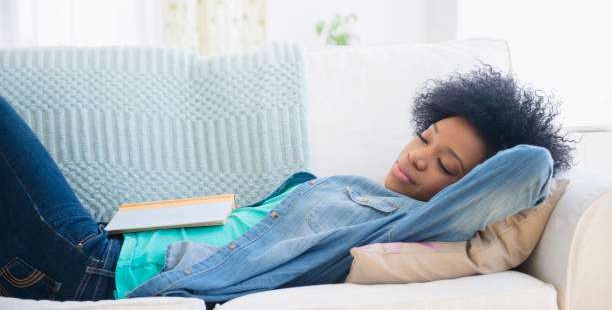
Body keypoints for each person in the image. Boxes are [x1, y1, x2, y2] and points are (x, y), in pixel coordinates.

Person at [0, 64, 574, 305]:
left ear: (467, 195)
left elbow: (528, 165)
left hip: (95, 267)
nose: (419, 157)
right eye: (425, 137)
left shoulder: (407, 229)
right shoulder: (358, 189)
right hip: (107, 241)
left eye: (446, 166)